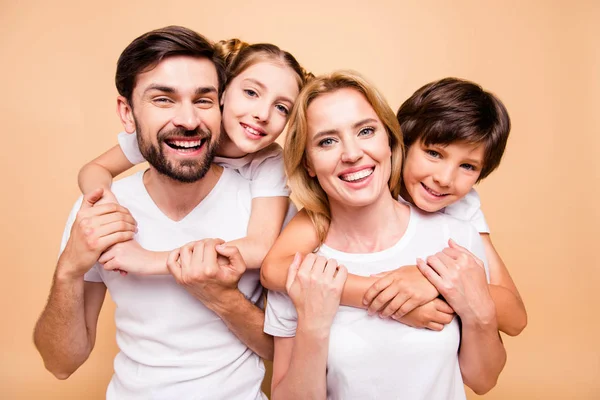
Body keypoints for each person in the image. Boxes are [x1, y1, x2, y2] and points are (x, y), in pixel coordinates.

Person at [34, 26, 280, 399]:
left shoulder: (267, 208)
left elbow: (285, 354)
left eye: (203, 100)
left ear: (222, 106)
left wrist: (218, 294)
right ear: (127, 113)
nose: (188, 120)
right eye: (163, 100)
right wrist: (68, 270)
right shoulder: (101, 209)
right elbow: (61, 363)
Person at [264, 71, 506, 399]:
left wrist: (477, 306)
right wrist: (313, 326)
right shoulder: (301, 269)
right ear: (308, 162)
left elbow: (483, 379)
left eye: (365, 131)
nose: (351, 154)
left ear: (390, 141)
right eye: (327, 141)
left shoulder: (455, 237)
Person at [77, 37, 311, 274]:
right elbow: (95, 169)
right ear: (222, 91)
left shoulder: (269, 161)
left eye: (281, 107)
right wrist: (105, 205)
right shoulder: (175, 131)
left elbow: (259, 247)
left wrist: (153, 261)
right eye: (251, 93)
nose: (263, 114)